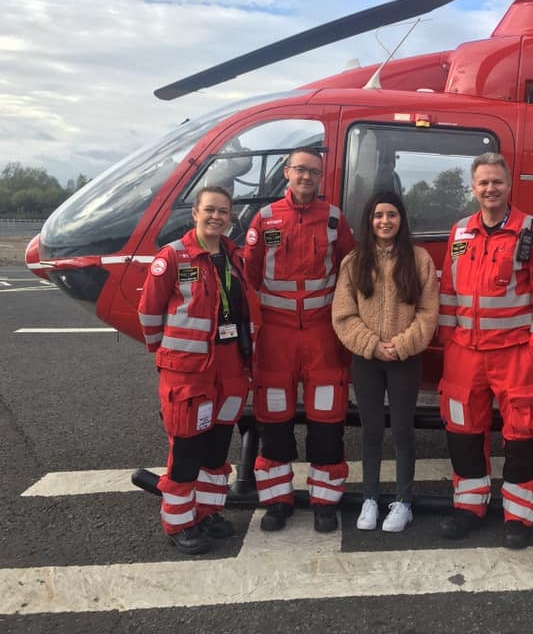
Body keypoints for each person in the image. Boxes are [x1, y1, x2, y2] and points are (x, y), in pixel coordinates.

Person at [436, 152, 533, 550]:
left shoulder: (532, 231)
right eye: (483, 183)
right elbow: (448, 292)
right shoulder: (459, 233)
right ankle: (468, 508)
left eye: (497, 182)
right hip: (464, 355)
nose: (490, 189)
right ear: (473, 188)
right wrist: (448, 340)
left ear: (509, 186)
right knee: (462, 432)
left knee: (523, 435)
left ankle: (519, 517)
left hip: (515, 354)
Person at [138, 185, 256, 555]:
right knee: (187, 450)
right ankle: (178, 522)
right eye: (210, 210)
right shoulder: (172, 258)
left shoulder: (234, 257)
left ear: (230, 216)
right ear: (195, 213)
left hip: (230, 367)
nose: (216, 217)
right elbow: (148, 315)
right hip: (188, 372)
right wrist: (171, 354)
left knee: (217, 447)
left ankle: (206, 512)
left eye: (223, 211)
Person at [243, 148, 356, 533]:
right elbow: (250, 277)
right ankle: (277, 501)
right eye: (300, 170)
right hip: (277, 335)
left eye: (313, 172)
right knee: (273, 418)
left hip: (323, 334)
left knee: (328, 420)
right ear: (287, 172)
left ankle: (326, 502)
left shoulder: (335, 219)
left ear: (321, 177)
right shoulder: (265, 218)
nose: (306, 176)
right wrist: (256, 333)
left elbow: (350, 270)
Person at [331, 191, 439, 532]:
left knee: (403, 431)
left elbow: (428, 312)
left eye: (392, 215)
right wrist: (373, 345)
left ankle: (403, 502)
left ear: (401, 219)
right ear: (370, 220)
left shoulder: (419, 259)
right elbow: (343, 314)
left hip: (405, 360)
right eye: (378, 215)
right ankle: (370, 499)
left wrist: (402, 345)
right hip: (367, 360)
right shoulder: (353, 261)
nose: (385, 221)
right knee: (372, 431)